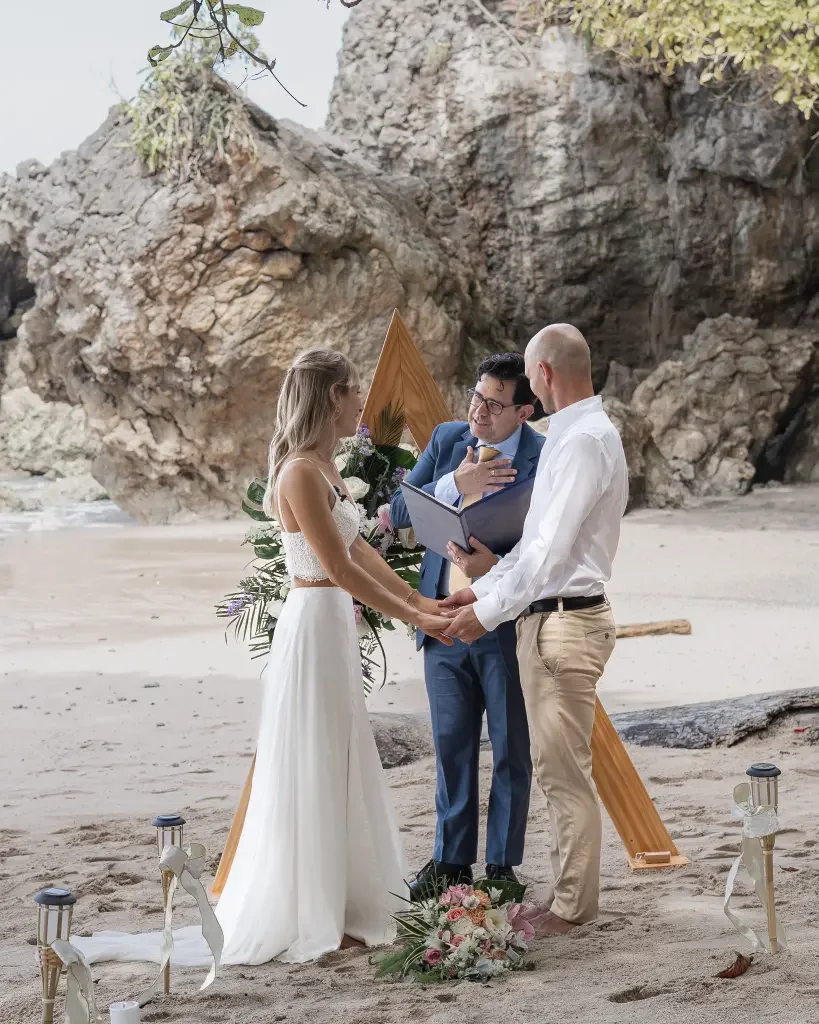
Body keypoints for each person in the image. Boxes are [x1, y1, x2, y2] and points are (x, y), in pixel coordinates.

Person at [73, 349, 454, 968]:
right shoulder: (300, 473)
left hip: (334, 622)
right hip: (313, 623)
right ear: (330, 396)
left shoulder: (328, 469)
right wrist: (415, 617)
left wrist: (421, 601)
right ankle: (315, 913)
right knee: (313, 760)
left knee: (341, 755)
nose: (359, 401)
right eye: (351, 390)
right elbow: (333, 566)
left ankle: (347, 903)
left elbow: (361, 553)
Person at [442, 325, 628, 935]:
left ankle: (573, 910)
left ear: (543, 374)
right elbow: (528, 551)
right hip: (549, 618)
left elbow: (549, 556)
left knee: (563, 774)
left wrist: (485, 613)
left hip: (565, 624)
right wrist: (481, 591)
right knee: (554, 770)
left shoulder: (580, 443)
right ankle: (564, 898)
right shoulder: (571, 437)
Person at [390, 353, 545, 898]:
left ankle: (501, 867)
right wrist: (456, 482)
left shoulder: (544, 458)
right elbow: (399, 510)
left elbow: (548, 550)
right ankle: (450, 861)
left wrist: (494, 572)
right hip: (442, 619)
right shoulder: (447, 438)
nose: (479, 411)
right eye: (476, 397)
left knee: (510, 746)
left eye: (494, 403)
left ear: (523, 411)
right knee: (451, 745)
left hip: (504, 621)